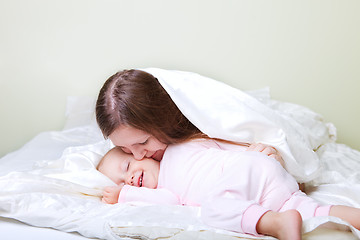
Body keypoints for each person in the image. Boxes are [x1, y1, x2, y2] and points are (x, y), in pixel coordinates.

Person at [97, 141, 360, 240]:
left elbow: (167, 200)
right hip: (269, 184)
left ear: (142, 153)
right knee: (309, 210)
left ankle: (276, 224)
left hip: (244, 173)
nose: (128, 179)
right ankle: (353, 216)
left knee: (212, 209)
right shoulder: (184, 151)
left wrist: (124, 196)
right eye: (122, 182)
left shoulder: (175, 157)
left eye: (127, 165)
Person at [95, 69, 284, 165]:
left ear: (164, 120)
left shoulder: (207, 129)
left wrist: (270, 159)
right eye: (123, 148)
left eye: (143, 142)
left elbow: (290, 174)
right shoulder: (123, 157)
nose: (137, 156)